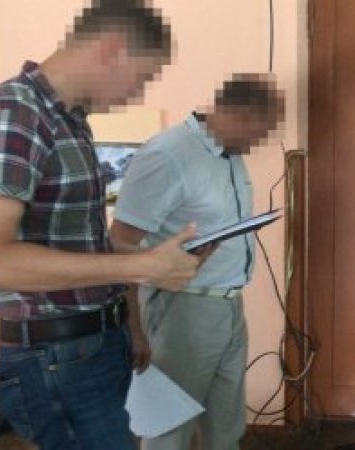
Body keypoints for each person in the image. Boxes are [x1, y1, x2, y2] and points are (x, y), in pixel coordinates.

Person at [0, 2, 203, 450]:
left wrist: (142, 281)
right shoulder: (10, 114)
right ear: (111, 50)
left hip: (92, 343)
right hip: (54, 359)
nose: (137, 93)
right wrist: (141, 267)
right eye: (142, 77)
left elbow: (77, 244)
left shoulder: (67, 121)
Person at [109, 73, 285, 450]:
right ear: (238, 115)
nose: (260, 141)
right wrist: (133, 327)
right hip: (180, 309)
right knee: (169, 430)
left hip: (228, 306)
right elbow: (120, 243)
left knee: (226, 428)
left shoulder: (227, 154)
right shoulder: (168, 154)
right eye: (261, 130)